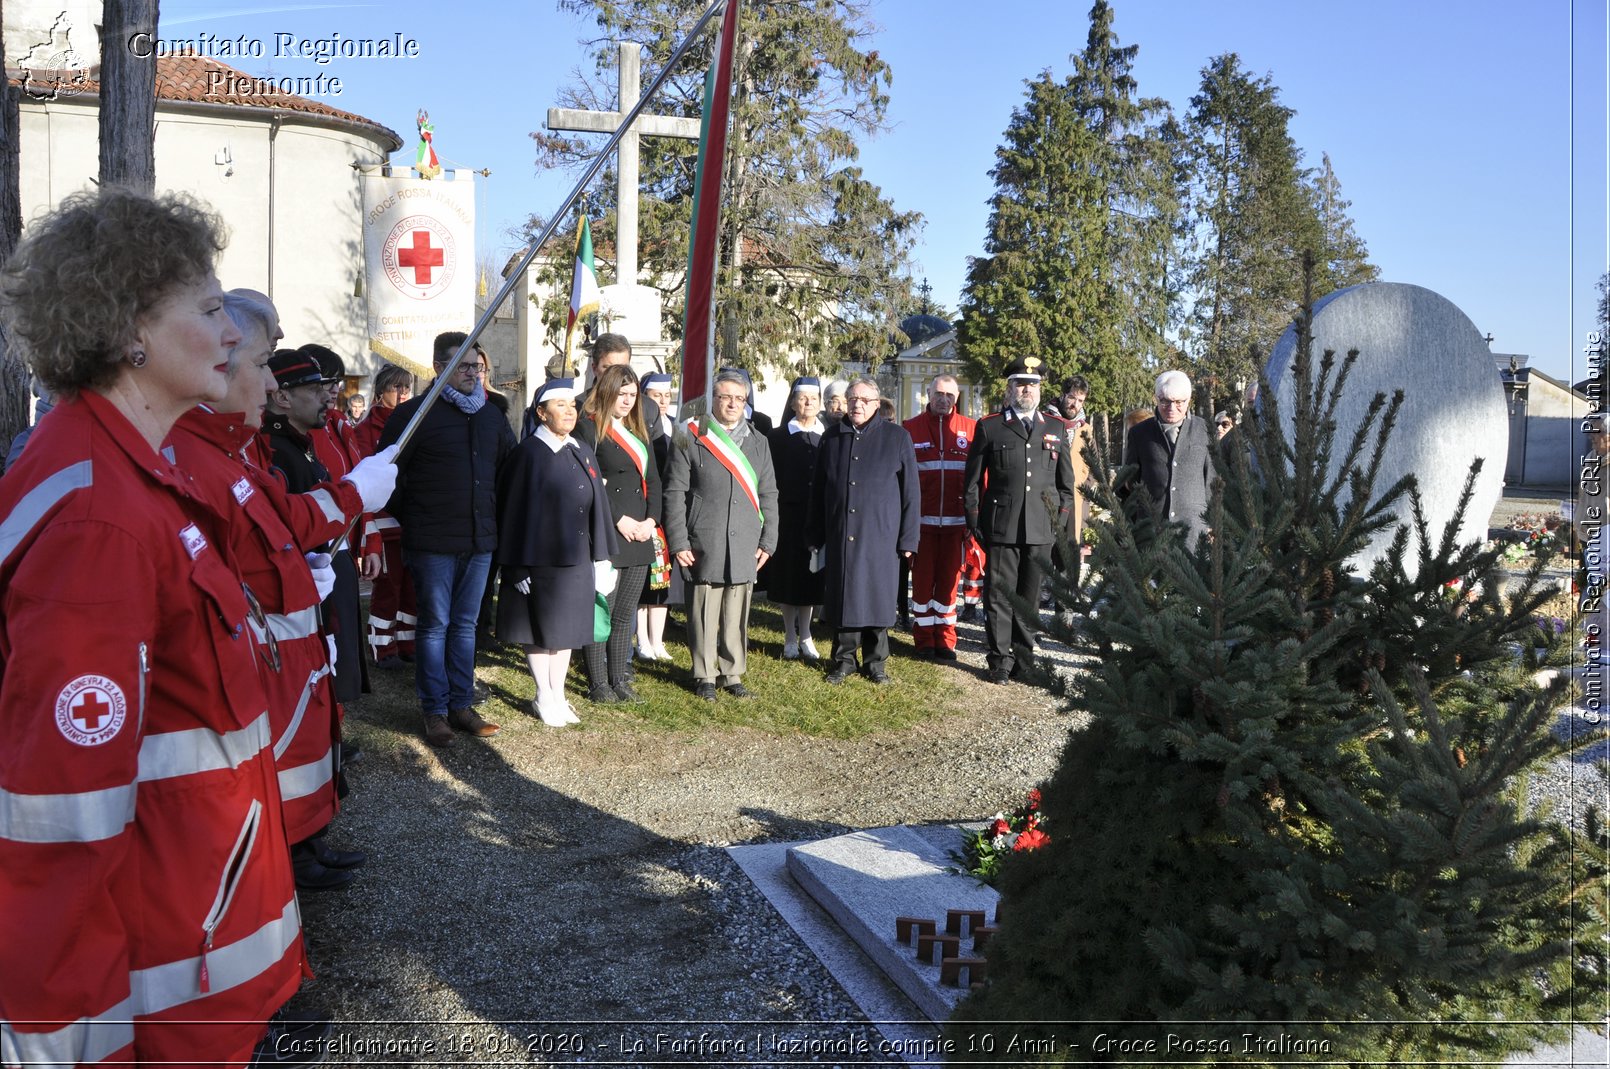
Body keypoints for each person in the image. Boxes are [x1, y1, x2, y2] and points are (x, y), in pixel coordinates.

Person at [0, 187, 306, 1063]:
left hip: (191, 952)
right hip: (159, 992)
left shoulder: (135, 476)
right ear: (131, 328)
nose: (233, 336)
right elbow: (60, 826)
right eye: (211, 310)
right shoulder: (99, 519)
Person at [168, 291, 397, 893]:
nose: (271, 384)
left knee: (303, 763)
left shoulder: (231, 453)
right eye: (266, 363)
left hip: (291, 651)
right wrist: (354, 497)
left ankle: (302, 845)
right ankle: (291, 858)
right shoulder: (206, 456)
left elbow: (281, 524)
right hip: (263, 661)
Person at [378, 332, 516, 747]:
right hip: (431, 539)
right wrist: (418, 517)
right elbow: (388, 476)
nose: (472, 373)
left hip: (479, 541)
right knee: (435, 625)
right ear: (438, 368)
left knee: (466, 626)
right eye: (463, 367)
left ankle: (461, 704)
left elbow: (507, 472)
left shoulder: (492, 415)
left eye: (476, 366)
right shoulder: (413, 416)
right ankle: (434, 710)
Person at [261, 348, 379, 707]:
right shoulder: (274, 451)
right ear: (282, 397)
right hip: (303, 577)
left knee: (334, 655)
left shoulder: (304, 444)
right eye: (314, 389)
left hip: (328, 564)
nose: (328, 396)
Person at [498, 378, 619, 724]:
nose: (570, 412)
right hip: (538, 561)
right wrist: (516, 566)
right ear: (541, 413)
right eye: (560, 406)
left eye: (572, 405)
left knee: (567, 629)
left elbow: (598, 503)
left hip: (577, 555)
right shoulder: (526, 455)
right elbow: (511, 513)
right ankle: (542, 694)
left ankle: (559, 692)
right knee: (539, 629)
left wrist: (603, 555)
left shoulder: (580, 448)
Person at [663, 370, 780, 701]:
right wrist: (679, 540)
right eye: (725, 397)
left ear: (746, 403)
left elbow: (769, 493)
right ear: (712, 400)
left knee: (736, 610)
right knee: (702, 609)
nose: (732, 403)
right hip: (703, 536)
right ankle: (704, 675)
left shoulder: (759, 441)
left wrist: (768, 539)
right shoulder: (689, 435)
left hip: (745, 538)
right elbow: (675, 491)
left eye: (739, 398)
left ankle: (732, 672)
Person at [962, 356, 1075, 685]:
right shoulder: (990, 426)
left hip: (1041, 526)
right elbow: (972, 482)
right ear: (1009, 388)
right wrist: (973, 521)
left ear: (1040, 389)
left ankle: (1024, 659)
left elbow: (1065, 486)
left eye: (1033, 384)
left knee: (1030, 596)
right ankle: (999, 660)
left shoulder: (1055, 428)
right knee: (998, 595)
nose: (1027, 389)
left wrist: (1059, 521)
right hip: (1001, 525)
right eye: (1020, 384)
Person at [808, 376, 920, 684]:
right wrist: (814, 534)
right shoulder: (832, 438)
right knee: (845, 596)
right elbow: (818, 490)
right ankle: (844, 660)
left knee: (877, 597)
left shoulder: (897, 437)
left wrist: (908, 538)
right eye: (852, 399)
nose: (857, 405)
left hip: (881, 534)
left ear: (877, 404)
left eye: (864, 400)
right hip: (841, 532)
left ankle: (875, 663)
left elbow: (911, 491)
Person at [575, 365, 661, 703]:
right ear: (607, 391)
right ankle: (598, 682)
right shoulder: (588, 428)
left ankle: (618, 678)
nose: (627, 401)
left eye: (632, 395)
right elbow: (591, 483)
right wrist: (618, 520)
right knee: (602, 608)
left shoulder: (639, 431)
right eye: (621, 394)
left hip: (640, 533)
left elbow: (653, 480)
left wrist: (651, 521)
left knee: (626, 612)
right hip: (608, 532)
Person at [903, 374, 977, 660]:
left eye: (949, 395)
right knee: (922, 585)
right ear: (928, 395)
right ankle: (923, 639)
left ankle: (945, 640)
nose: (943, 399)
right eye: (938, 394)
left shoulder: (970, 430)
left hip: (956, 527)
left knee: (948, 586)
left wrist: (974, 520)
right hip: (921, 526)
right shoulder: (910, 430)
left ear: (956, 398)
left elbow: (979, 478)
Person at [353, 364, 418, 666]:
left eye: (407, 387)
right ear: (381, 392)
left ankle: (407, 642)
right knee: (388, 587)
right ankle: (382, 647)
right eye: (397, 388)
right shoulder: (365, 431)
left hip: (411, 519)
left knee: (411, 587)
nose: (404, 394)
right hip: (382, 519)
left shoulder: (415, 423)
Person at [764, 376, 828, 660]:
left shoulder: (828, 437)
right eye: (803, 398)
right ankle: (789, 635)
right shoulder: (777, 438)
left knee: (811, 577)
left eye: (813, 399)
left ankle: (807, 635)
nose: (808, 403)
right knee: (789, 577)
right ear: (793, 403)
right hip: (787, 516)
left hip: (816, 517)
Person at [1122, 369, 1215, 547]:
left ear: (1189, 400)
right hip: (1152, 529)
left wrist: (1213, 523)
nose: (1171, 408)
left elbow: (1212, 479)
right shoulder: (1139, 433)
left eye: (1179, 402)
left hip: (1194, 531)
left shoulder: (1205, 430)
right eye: (1164, 401)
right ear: (1156, 398)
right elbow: (1131, 479)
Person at [636, 372, 677, 660]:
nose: (662, 401)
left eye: (667, 395)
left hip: (669, 512)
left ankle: (657, 639)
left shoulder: (678, 427)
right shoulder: (639, 426)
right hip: (645, 511)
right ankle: (641, 640)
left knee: (664, 579)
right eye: (655, 396)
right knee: (644, 579)